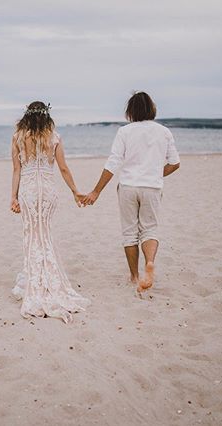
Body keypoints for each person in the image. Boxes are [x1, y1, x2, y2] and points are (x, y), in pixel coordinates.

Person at [81, 92, 180, 294]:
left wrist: (96, 191)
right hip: (152, 187)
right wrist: (154, 173)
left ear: (130, 111)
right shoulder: (164, 131)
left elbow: (113, 163)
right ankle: (150, 262)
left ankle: (134, 276)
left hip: (128, 186)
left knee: (130, 233)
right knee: (150, 229)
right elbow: (175, 163)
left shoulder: (124, 132)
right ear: (152, 108)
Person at [9, 101, 90, 323]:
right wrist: (75, 191)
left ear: (27, 115)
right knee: (45, 234)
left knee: (32, 235)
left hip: (28, 191)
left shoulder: (17, 137)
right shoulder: (54, 137)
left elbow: (16, 169)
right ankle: (42, 280)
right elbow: (63, 168)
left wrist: (13, 197)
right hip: (47, 191)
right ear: (47, 116)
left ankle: (33, 282)